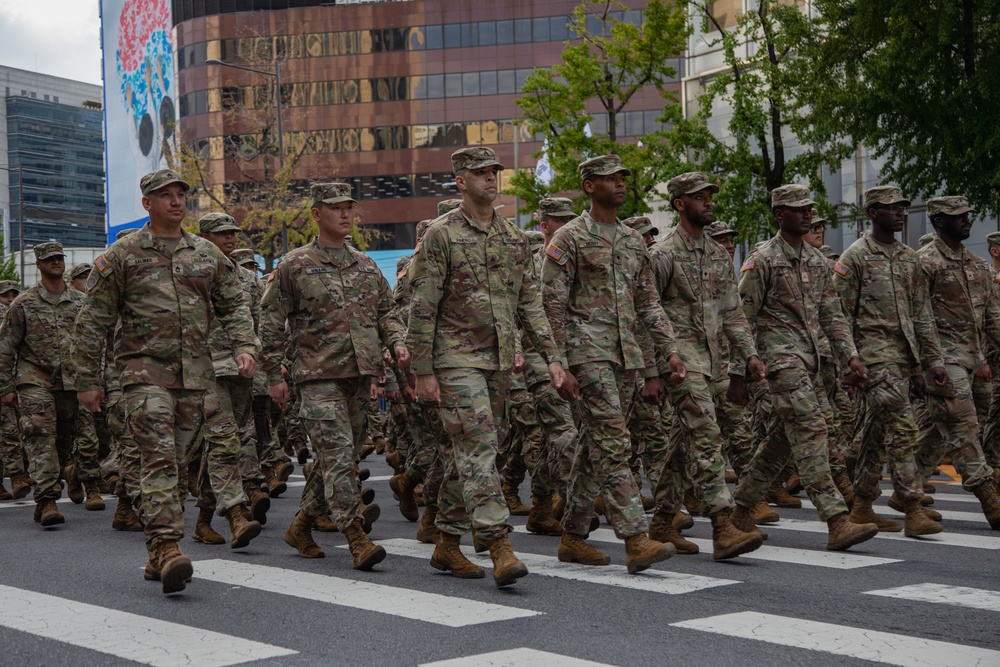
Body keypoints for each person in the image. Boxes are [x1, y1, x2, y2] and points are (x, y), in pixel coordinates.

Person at [72, 169, 259, 596]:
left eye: (181, 195)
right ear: (147, 204)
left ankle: (156, 553)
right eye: (166, 195)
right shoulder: (121, 255)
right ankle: (169, 546)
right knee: (157, 458)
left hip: (196, 376)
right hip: (142, 375)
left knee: (176, 466)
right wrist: (86, 379)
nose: (176, 202)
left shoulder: (207, 254)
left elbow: (234, 305)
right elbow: (92, 322)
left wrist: (245, 346)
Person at [408, 147, 567, 587]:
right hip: (453, 359)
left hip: (498, 362)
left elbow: (531, 306)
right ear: (461, 181)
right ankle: (499, 544)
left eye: (494, 172)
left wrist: (553, 357)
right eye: (480, 173)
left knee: (473, 455)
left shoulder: (514, 238)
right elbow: (422, 306)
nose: (490, 179)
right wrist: (422, 369)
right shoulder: (441, 236)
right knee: (479, 448)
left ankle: (446, 544)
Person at [542, 154, 683, 573]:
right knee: (614, 440)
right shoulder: (568, 238)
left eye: (623, 177)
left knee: (593, 444)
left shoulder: (632, 240)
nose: (620, 184)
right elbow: (550, 304)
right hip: (586, 354)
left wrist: (669, 348)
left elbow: (648, 302)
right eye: (610, 178)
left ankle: (572, 536)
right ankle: (636, 538)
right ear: (589, 185)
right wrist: (558, 362)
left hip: (626, 358)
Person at [263, 181, 407, 571]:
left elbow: (386, 312)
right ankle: (355, 535)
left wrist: (396, 342)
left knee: (334, 460)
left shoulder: (365, 264)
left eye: (349, 207)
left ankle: (302, 524)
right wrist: (272, 374)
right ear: (316, 214)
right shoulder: (294, 265)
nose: (345, 214)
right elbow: (271, 322)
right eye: (335, 207)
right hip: (316, 377)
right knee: (340, 457)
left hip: (360, 375)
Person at [732, 184, 879, 551]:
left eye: (809, 208)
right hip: (780, 363)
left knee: (782, 441)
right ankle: (836, 520)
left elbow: (834, 317)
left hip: (811, 362)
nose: (807, 215)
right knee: (813, 431)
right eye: (799, 210)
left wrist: (851, 358)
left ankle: (739, 510)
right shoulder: (762, 259)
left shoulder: (817, 262)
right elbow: (740, 318)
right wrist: (739, 372)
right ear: (780, 215)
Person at [646, 172, 765, 560]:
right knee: (707, 435)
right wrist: (653, 369)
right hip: (679, 363)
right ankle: (723, 523)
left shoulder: (716, 254)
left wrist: (748, 356)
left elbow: (733, 313)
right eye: (699, 197)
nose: (708, 202)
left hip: (712, 361)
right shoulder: (662, 254)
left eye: (710, 195)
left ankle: (663, 520)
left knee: (684, 445)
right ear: (680, 204)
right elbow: (644, 313)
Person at [833, 186, 945, 537]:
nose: (900, 212)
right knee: (902, 427)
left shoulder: (909, 258)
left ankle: (862, 505)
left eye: (902, 207)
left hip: (902, 359)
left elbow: (921, 316)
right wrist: (847, 363)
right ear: (872, 213)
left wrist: (928, 364)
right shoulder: (855, 257)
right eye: (891, 207)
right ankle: (912, 506)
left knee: (875, 434)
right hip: (871, 360)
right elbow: (838, 316)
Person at [915, 195, 1000, 529]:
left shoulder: (977, 266)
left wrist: (984, 356)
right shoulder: (923, 263)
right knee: (963, 427)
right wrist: (926, 362)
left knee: (944, 427)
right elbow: (917, 317)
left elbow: (993, 318)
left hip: (974, 360)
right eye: (958, 216)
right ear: (938, 222)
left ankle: (910, 483)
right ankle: (989, 499)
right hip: (941, 360)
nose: (967, 220)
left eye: (968, 214)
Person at [191, 212, 268, 546]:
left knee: (224, 444)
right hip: (205, 371)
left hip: (241, 371)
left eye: (233, 234)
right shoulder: (191, 274)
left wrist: (260, 362)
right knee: (223, 440)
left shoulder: (248, 280)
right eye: (222, 234)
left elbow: (258, 323)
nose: (230, 239)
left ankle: (203, 519)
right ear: (205, 236)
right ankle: (236, 514)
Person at [0, 242, 87, 525]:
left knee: (63, 442)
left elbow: (92, 344)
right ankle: (48, 500)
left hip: (71, 382)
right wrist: (6, 387)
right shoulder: (23, 303)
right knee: (40, 435)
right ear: (38, 264)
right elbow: (6, 347)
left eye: (59, 258)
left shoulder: (80, 302)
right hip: (34, 379)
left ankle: (49, 490)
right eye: (49, 259)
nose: (56, 262)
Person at [0, 280, 32, 501]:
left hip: (14, 381)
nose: (10, 300)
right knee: (9, 432)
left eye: (14, 295)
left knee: (16, 431)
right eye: (5, 296)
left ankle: (18, 475)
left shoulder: (19, 315)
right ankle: (16, 476)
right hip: (4, 381)